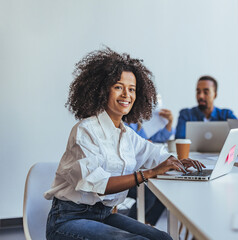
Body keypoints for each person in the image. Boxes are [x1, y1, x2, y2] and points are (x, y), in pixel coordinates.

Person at [44, 48, 204, 240]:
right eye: (118, 87)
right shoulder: (85, 130)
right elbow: (99, 183)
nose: (126, 94)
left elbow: (152, 152)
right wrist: (149, 173)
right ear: (102, 90)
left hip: (104, 215)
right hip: (68, 221)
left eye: (132, 89)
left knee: (162, 238)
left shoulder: (126, 133)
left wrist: (176, 161)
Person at [125, 109, 174, 225]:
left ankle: (147, 224)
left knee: (163, 193)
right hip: (121, 176)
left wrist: (169, 123)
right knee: (150, 194)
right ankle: (130, 225)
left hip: (135, 172)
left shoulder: (137, 124)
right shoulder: (123, 124)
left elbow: (155, 139)